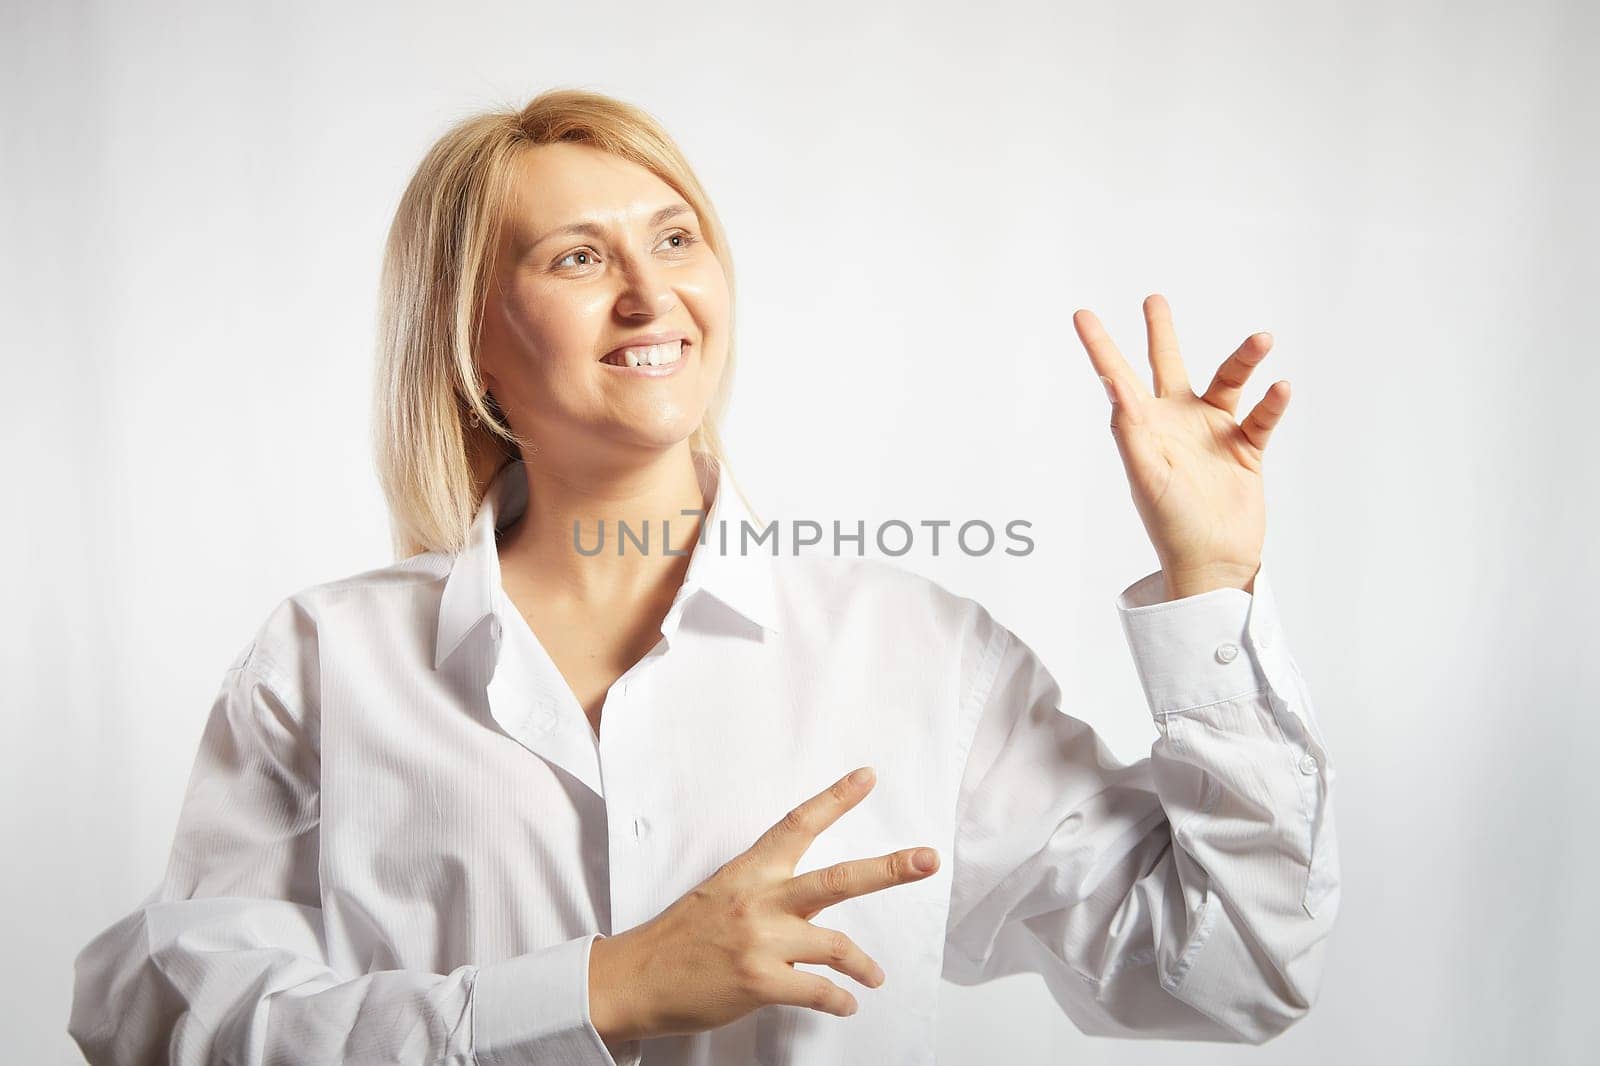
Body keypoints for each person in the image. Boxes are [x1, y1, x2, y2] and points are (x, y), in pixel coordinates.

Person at [68, 88, 1340, 1065]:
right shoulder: (326, 661)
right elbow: (159, 1014)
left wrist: (1211, 573)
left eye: (675, 238)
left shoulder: (915, 650)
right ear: (471, 346)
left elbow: (1225, 977)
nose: (650, 292)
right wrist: (604, 988)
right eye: (575, 257)